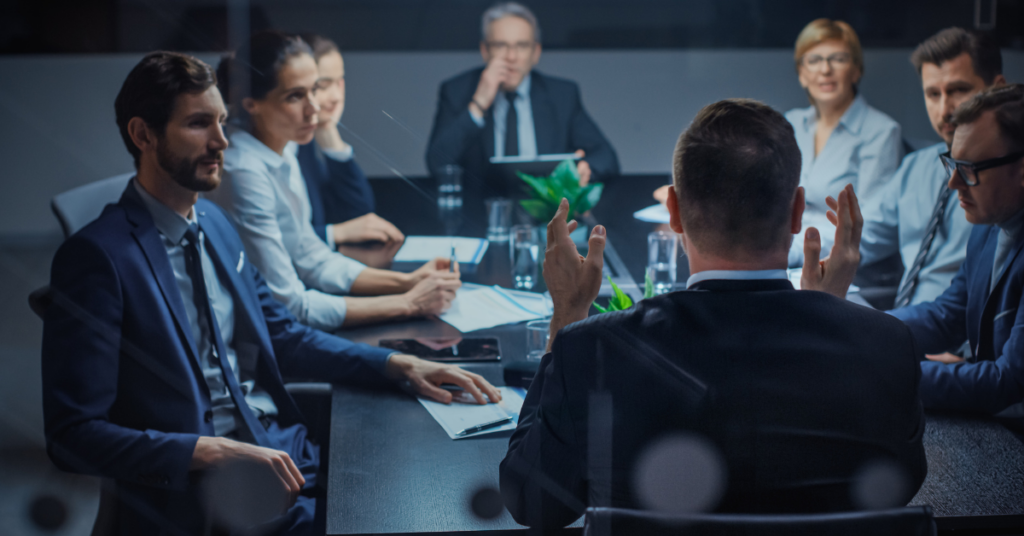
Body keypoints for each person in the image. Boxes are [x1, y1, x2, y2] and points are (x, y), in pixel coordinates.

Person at [41, 51, 500, 535]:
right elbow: (73, 436)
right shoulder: (96, 258)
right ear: (143, 135)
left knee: (426, 482)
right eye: (199, 124)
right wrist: (209, 450)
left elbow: (280, 334)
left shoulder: (214, 222)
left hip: (285, 453)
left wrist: (397, 364)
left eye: (220, 121)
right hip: (207, 496)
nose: (221, 141)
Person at [499, 99, 926, 528]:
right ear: (798, 212)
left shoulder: (591, 352)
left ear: (674, 212)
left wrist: (566, 317)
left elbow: (530, 500)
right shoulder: (887, 345)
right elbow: (898, 488)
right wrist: (831, 312)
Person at [206, 31, 460, 331]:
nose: (314, 108)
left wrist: (407, 281)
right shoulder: (243, 171)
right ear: (252, 104)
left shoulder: (283, 146)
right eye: (295, 96)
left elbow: (310, 255)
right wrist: (410, 302)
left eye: (315, 89)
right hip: (252, 344)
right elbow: (290, 306)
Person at [891, 84, 1024, 415]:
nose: (953, 185)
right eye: (953, 164)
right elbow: (947, 317)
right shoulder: (986, 228)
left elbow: (1008, 381)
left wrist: (885, 374)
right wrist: (857, 330)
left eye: (970, 170)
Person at [859, 28, 1005, 311]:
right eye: (932, 94)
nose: (944, 109)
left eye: (959, 90)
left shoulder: (1007, 178)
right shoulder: (915, 167)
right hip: (911, 326)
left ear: (996, 89)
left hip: (960, 339)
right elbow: (864, 235)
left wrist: (966, 346)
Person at [425, 2, 619, 195]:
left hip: (546, 214)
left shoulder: (562, 95)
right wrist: (478, 104)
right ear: (485, 51)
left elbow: (606, 157)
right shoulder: (457, 91)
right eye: (501, 45)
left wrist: (585, 169)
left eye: (522, 46)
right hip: (481, 214)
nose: (511, 56)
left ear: (536, 52)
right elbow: (436, 163)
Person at [785, 19, 904, 269]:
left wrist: (792, 251)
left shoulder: (881, 131)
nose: (825, 69)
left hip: (840, 269)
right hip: (783, 260)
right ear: (801, 74)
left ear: (856, 70)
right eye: (814, 60)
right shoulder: (790, 124)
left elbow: (873, 230)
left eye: (838, 59)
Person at [296, 33, 405, 249]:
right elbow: (285, 238)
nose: (337, 96)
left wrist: (329, 132)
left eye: (339, 82)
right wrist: (337, 233)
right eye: (324, 85)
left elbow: (359, 214)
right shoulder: (289, 148)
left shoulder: (306, 145)